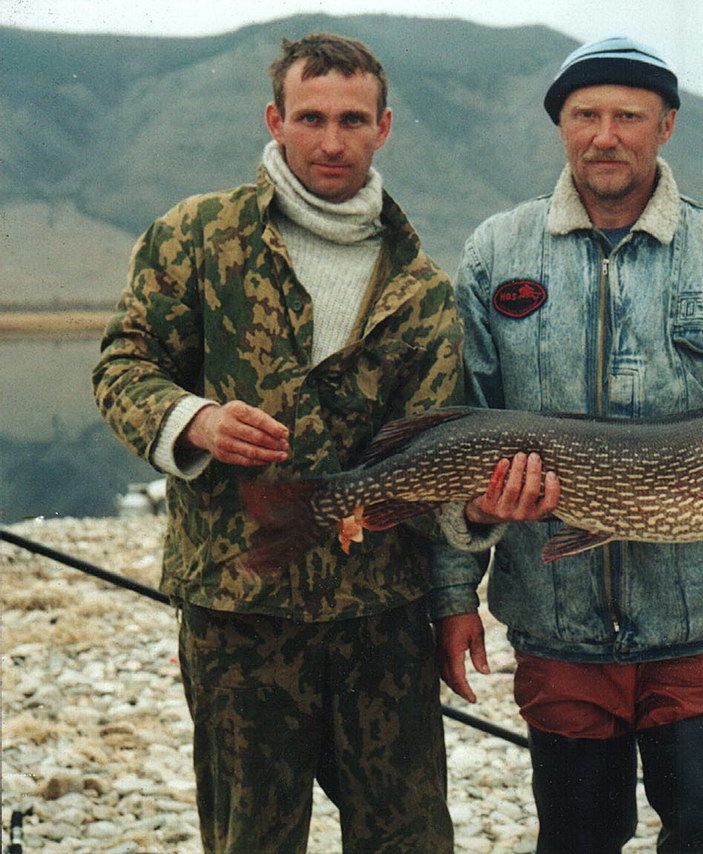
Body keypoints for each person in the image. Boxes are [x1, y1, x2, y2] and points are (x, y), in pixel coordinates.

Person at [429, 36, 703, 854]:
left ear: (665, 126)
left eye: (628, 116)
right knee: (576, 840)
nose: (606, 134)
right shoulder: (497, 253)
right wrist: (455, 592)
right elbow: (462, 427)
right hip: (556, 622)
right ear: (562, 128)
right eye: (586, 115)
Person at [93, 33, 460, 853]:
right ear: (276, 120)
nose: (332, 141)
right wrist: (194, 420)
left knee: (411, 841)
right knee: (249, 841)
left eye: (353, 120)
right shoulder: (196, 238)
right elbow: (123, 366)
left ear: (384, 128)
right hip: (236, 612)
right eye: (312, 117)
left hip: (380, 620)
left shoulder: (424, 291)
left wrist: (458, 585)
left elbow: (433, 466)